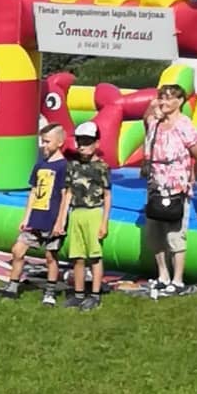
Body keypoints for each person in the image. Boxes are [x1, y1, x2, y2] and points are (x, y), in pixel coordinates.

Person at [142, 83, 197, 295]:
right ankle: (162, 274)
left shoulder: (184, 126)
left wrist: (191, 178)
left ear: (180, 101)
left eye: (170, 97)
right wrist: (153, 105)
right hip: (155, 184)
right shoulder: (155, 123)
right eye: (162, 97)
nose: (164, 101)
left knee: (175, 233)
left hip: (176, 185)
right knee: (155, 231)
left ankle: (177, 279)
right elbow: (145, 118)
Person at [0, 124, 68, 305]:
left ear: (60, 142)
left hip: (52, 218)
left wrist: (60, 221)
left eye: (47, 142)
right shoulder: (40, 165)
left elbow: (65, 195)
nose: (44, 145)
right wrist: (26, 217)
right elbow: (34, 192)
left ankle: (50, 292)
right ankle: (12, 286)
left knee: (50, 257)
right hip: (36, 217)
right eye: (42, 141)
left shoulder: (63, 166)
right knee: (17, 250)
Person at [57, 121, 112, 311]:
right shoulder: (72, 166)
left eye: (87, 142)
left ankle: (95, 295)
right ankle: (78, 294)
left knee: (95, 257)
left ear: (96, 143)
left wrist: (104, 222)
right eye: (80, 142)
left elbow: (107, 195)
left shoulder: (102, 167)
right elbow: (68, 193)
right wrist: (62, 219)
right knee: (77, 257)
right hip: (76, 213)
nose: (82, 146)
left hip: (93, 212)